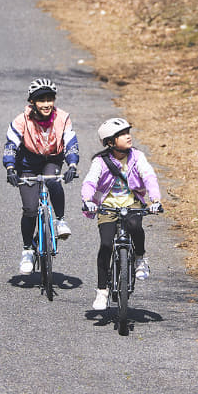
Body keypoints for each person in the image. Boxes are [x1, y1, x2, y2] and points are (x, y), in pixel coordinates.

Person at [80, 117, 162, 311]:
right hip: (107, 206)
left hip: (132, 203)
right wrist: (88, 201)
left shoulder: (137, 157)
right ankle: (102, 291)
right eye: (121, 135)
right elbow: (90, 181)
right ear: (110, 142)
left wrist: (155, 200)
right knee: (106, 244)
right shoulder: (100, 161)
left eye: (128, 132)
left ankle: (140, 258)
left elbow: (148, 176)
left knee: (135, 226)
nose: (128, 137)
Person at [3, 78, 80, 275]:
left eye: (49, 99)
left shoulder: (63, 118)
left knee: (53, 180)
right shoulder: (21, 120)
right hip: (27, 163)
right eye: (41, 100)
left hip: (52, 159)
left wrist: (72, 164)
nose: (46, 104)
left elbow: (71, 141)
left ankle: (60, 219)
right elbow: (11, 145)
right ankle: (27, 250)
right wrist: (10, 168)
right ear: (32, 102)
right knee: (29, 209)